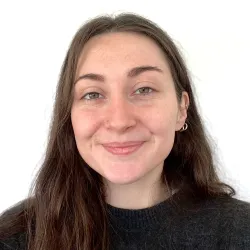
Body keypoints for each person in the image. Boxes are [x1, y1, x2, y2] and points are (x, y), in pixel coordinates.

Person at [0, 12, 250, 250]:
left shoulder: (240, 232)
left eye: (144, 90)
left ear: (182, 109)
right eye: (93, 94)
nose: (119, 121)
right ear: (69, 116)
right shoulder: (18, 237)